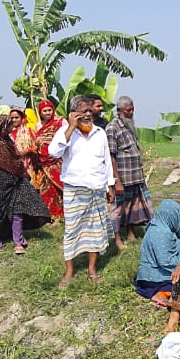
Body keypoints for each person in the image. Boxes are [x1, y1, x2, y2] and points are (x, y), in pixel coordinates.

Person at [48, 97, 116, 286]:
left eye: (89, 111)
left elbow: (106, 161)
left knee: (95, 230)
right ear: (72, 113)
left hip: (96, 189)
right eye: (83, 111)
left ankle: (92, 269)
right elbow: (53, 152)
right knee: (72, 230)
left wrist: (110, 185)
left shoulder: (99, 133)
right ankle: (69, 271)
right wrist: (71, 127)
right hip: (74, 189)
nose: (87, 115)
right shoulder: (65, 132)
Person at [0, 115, 50, 253]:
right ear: (2, 126)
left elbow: (16, 156)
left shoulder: (7, 141)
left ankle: (18, 240)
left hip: (16, 182)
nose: (12, 128)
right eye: (9, 125)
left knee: (18, 210)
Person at [106, 96, 151, 250]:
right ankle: (117, 238)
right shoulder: (112, 128)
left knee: (132, 206)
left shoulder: (129, 125)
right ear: (119, 111)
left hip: (135, 176)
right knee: (117, 209)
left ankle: (131, 232)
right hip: (122, 177)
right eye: (128, 110)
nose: (131, 113)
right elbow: (111, 156)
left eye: (132, 110)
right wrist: (116, 181)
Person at [135, 199, 180, 300]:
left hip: (154, 273)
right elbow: (165, 262)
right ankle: (161, 294)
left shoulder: (163, 226)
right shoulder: (161, 233)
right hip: (154, 278)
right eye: (178, 215)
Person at [32, 100, 65, 220]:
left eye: (49, 110)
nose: (47, 113)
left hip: (57, 161)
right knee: (47, 189)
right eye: (44, 111)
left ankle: (60, 215)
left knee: (58, 188)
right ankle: (49, 215)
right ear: (40, 113)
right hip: (43, 163)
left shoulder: (60, 122)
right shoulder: (38, 125)